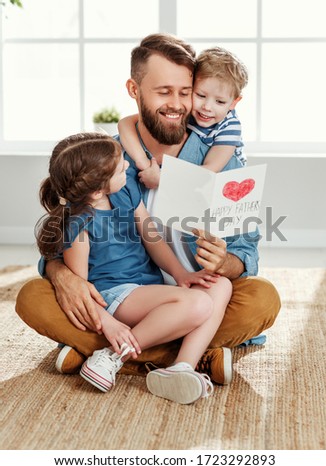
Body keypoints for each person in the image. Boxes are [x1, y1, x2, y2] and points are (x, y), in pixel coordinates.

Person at [15, 33, 281, 387]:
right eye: (163, 91)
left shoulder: (221, 161)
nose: (177, 104)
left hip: (189, 288)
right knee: (34, 295)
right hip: (124, 295)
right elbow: (65, 233)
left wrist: (225, 263)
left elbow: (246, 250)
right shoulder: (106, 160)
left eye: (185, 92)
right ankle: (194, 353)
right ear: (134, 89)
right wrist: (62, 276)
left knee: (261, 298)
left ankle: (113, 352)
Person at [35, 131, 232, 404]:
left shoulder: (126, 188)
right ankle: (112, 356)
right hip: (115, 295)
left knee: (221, 284)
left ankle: (181, 368)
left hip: (147, 289)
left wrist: (181, 274)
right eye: (119, 168)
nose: (127, 165)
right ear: (97, 190)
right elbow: (82, 289)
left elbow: (152, 237)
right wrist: (109, 324)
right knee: (198, 304)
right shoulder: (79, 226)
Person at [118, 46, 248, 189]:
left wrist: (163, 180)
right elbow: (124, 123)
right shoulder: (188, 111)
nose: (207, 107)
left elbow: (210, 170)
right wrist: (142, 161)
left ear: (234, 103)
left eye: (220, 102)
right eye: (200, 95)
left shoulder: (229, 127)